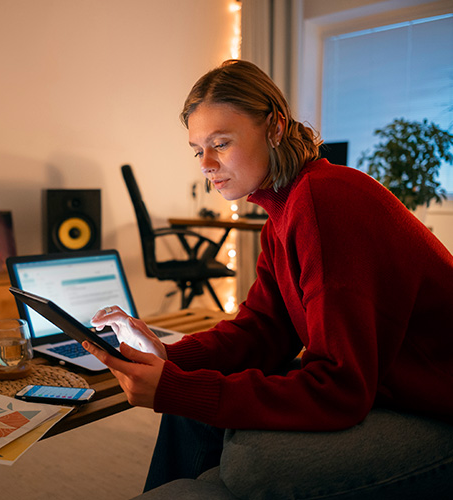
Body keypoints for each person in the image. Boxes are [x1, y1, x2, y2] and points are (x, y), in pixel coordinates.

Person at [83, 60, 453, 499]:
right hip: (381, 384)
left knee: (251, 463)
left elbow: (339, 389)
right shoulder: (282, 215)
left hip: (435, 404)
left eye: (221, 142)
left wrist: (180, 387)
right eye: (197, 148)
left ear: (275, 127)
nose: (206, 163)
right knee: (189, 405)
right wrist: (170, 355)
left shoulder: (324, 200)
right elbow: (263, 329)